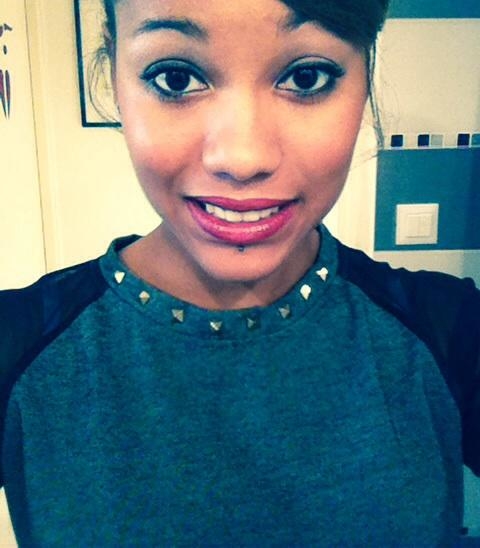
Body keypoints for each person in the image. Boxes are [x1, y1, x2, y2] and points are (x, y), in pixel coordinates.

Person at [1, 0, 479, 545]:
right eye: (176, 78)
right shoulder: (19, 347)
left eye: (307, 77)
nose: (242, 158)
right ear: (114, 71)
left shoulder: (450, 334)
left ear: (365, 73)